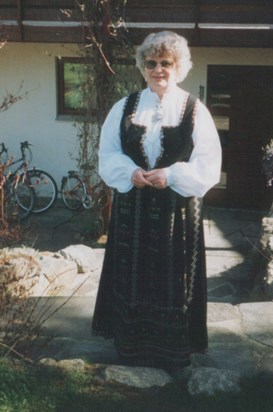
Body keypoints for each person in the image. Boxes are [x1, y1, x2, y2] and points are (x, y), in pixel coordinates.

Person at [92, 31, 222, 370]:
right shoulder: (125, 106)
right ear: (142, 66)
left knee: (172, 280)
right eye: (151, 63)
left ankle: (172, 354)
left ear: (179, 67)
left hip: (176, 212)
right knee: (132, 277)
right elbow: (108, 154)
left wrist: (173, 175)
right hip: (132, 210)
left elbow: (209, 164)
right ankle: (131, 348)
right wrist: (129, 171)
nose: (158, 69)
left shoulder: (195, 109)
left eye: (166, 63)